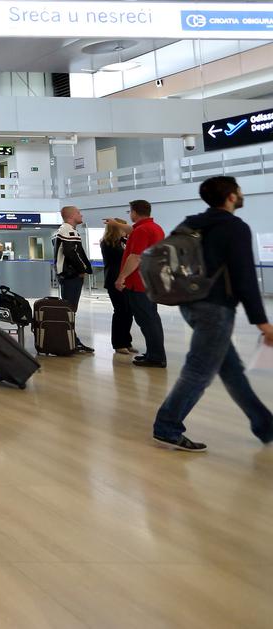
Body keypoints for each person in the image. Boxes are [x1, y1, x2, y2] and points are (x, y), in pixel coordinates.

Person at [152, 176, 273, 452]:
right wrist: (262, 322)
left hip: (190, 302)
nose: (241, 195)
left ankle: (265, 424)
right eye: (239, 191)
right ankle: (167, 427)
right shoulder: (235, 228)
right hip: (215, 308)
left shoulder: (191, 223)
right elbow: (245, 277)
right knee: (199, 371)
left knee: (230, 369)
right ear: (231, 196)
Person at [116, 199, 167, 368]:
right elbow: (131, 230)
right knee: (152, 318)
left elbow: (135, 257)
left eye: (130, 212)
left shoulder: (142, 230)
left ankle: (156, 357)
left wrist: (121, 277)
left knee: (147, 320)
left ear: (134, 212)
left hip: (139, 283)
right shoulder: (155, 228)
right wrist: (115, 223)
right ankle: (155, 352)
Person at [53, 206, 95, 354]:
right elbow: (71, 252)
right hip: (71, 276)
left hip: (67, 275)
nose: (81, 215)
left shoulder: (63, 230)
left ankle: (70, 339)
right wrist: (83, 269)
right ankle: (70, 341)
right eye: (78, 213)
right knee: (70, 310)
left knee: (69, 309)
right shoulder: (68, 230)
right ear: (71, 216)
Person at [99, 218, 138, 357]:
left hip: (125, 280)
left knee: (129, 311)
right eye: (122, 227)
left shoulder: (123, 242)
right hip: (114, 280)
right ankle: (118, 343)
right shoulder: (109, 243)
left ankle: (126, 341)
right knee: (121, 311)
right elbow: (123, 258)